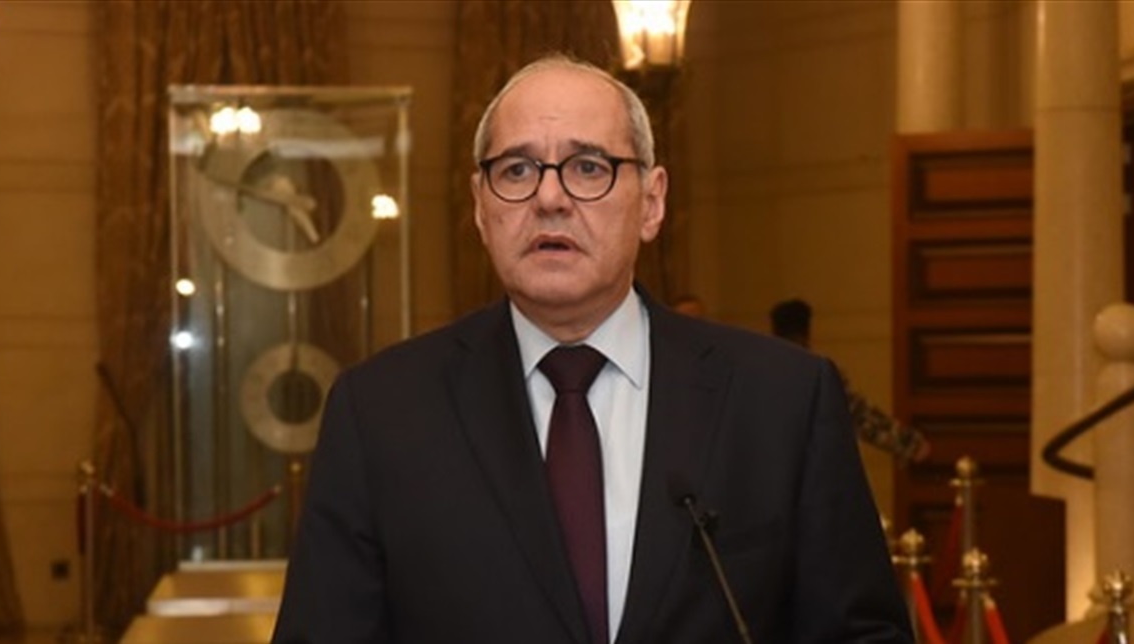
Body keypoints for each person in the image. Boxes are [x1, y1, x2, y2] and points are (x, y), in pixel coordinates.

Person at [273, 55, 911, 644]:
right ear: (481, 209)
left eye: (588, 167)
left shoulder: (782, 402)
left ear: (652, 203)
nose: (549, 199)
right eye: (516, 170)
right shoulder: (381, 413)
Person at [769, 298, 930, 464]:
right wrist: (910, 444)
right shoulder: (819, 375)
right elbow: (861, 416)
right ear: (806, 334)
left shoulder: (763, 376)